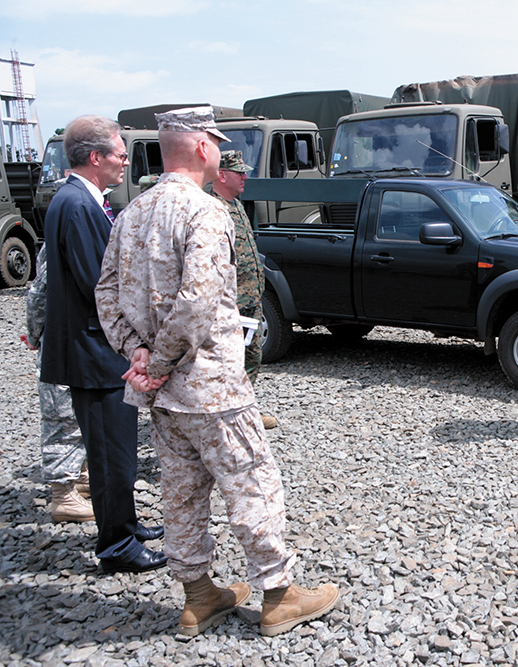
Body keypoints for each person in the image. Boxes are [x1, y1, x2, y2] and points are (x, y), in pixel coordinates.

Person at [96, 107, 339, 637]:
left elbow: (106, 295)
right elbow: (199, 301)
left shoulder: (132, 211)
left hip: (161, 396)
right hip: (210, 387)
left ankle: (199, 596)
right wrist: (156, 363)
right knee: (252, 484)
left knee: (182, 493)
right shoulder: (206, 212)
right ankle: (278, 596)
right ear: (204, 147)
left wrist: (136, 356)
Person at [40, 115, 166, 573]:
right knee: (111, 454)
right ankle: (116, 546)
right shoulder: (77, 205)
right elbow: (101, 285)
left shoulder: (77, 199)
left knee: (120, 450)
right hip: (95, 354)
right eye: (118, 153)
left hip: (97, 349)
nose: (124, 161)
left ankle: (126, 525)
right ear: (95, 158)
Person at [208, 150, 277, 429]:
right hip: (231, 304)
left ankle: (244, 410)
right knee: (227, 364)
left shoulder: (236, 204)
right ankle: (225, 417)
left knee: (251, 359)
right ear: (221, 175)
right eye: (239, 172)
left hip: (251, 300)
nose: (245, 177)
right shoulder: (211, 208)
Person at [24, 244, 93, 523]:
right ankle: (62, 495)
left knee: (78, 415)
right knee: (62, 418)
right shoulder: (64, 231)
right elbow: (38, 294)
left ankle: (79, 475)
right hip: (59, 343)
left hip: (73, 340)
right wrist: (34, 334)